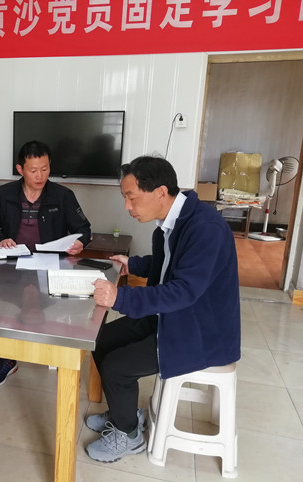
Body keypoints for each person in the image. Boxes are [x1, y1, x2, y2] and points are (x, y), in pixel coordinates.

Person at [85, 155, 241, 463]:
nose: (127, 206)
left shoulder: (205, 228)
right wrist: (134, 264)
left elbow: (184, 290)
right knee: (99, 340)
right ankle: (125, 415)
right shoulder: (170, 224)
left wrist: (120, 297)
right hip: (170, 318)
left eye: (131, 197)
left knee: (116, 367)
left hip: (198, 333)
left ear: (160, 192)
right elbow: (169, 264)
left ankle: (129, 437)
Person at [0, 140, 92, 386]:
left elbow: (84, 229)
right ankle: (8, 359)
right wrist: (0, 239)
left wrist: (80, 242)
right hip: (11, 266)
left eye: (45, 169)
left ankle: (56, 356)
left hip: (50, 268)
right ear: (20, 169)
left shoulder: (62, 196)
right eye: (33, 170)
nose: (40, 176)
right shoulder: (5, 194)